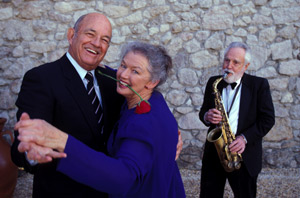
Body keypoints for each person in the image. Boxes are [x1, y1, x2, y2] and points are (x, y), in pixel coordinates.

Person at [15, 41, 186, 197]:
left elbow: (122, 178)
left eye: (135, 71)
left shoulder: (143, 122)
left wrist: (62, 141)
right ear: (71, 36)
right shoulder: (152, 99)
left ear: (153, 82)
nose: (124, 74)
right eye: (123, 65)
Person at [198, 42, 275, 198]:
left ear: (245, 66)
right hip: (215, 153)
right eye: (227, 60)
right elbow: (203, 112)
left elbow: (267, 119)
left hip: (243, 155)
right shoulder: (214, 83)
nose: (229, 66)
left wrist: (244, 138)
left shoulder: (258, 85)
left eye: (235, 62)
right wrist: (207, 116)